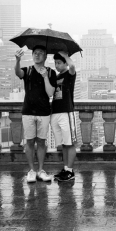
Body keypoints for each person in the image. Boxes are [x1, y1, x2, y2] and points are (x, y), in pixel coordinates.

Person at [14, 45, 57, 183]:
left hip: (43, 112)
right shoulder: (28, 70)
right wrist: (17, 60)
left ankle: (41, 170)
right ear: (32, 55)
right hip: (28, 111)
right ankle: (32, 170)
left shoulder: (51, 72)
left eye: (41, 53)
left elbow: (50, 93)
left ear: (45, 57)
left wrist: (45, 77)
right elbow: (18, 73)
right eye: (35, 53)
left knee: (41, 141)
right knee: (30, 141)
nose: (37, 55)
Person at [51, 51, 77, 182]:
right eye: (55, 63)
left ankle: (70, 171)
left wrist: (66, 56)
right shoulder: (56, 77)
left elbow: (72, 67)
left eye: (59, 63)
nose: (57, 65)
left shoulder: (69, 75)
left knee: (70, 143)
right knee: (64, 144)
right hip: (55, 112)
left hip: (66, 111)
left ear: (65, 63)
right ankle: (65, 168)